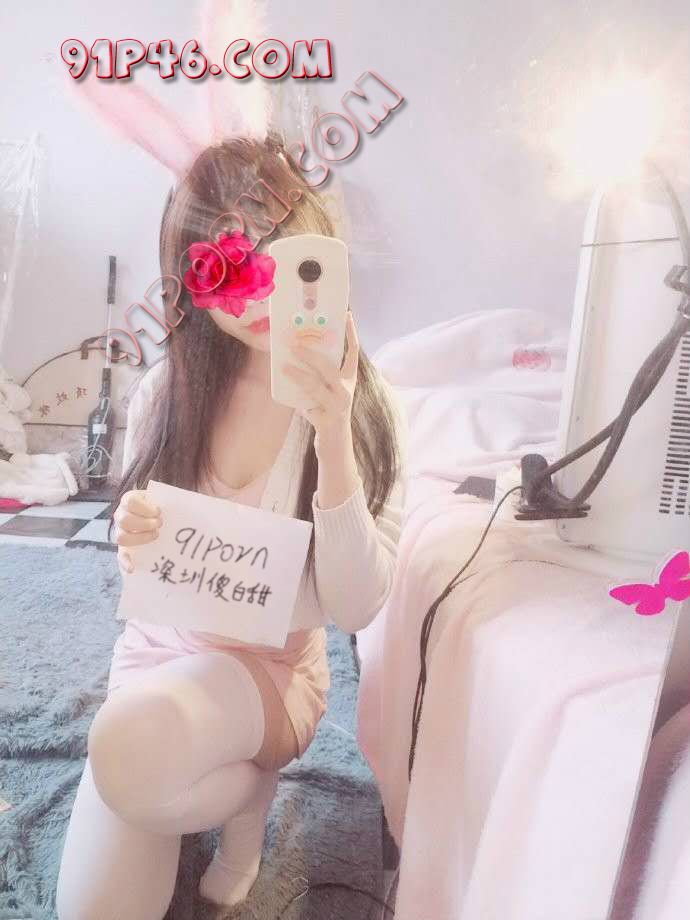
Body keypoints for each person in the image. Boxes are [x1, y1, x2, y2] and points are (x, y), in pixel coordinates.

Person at [56, 134, 406, 920]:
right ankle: (233, 791)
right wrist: (133, 535)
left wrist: (333, 434)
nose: (249, 297)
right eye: (220, 268)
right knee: (94, 903)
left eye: (269, 258)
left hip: (268, 675)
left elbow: (355, 608)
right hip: (158, 656)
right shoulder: (166, 392)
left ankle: (240, 802)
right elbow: (153, 558)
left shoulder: (366, 405)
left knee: (128, 749)